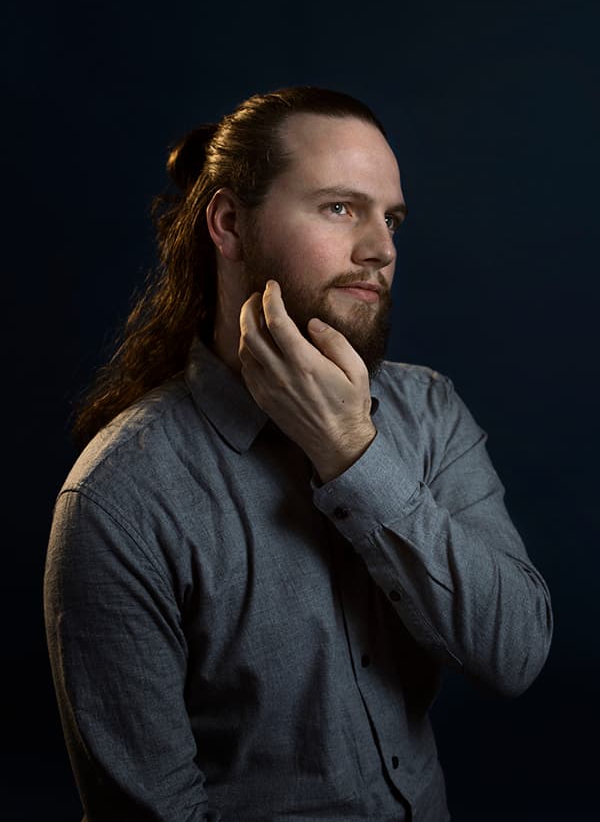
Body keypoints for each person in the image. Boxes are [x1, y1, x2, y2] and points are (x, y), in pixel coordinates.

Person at [44, 86, 553, 822]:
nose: (381, 249)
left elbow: (516, 653)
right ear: (229, 224)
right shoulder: (119, 498)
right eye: (340, 208)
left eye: (391, 218)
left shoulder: (430, 410)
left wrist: (351, 453)